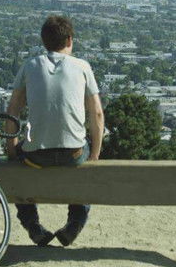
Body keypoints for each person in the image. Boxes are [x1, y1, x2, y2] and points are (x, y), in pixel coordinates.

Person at [6, 14, 104, 246]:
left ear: (44, 41)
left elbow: (13, 111)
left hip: (36, 155)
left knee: (17, 167)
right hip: (73, 153)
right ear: (69, 39)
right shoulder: (82, 67)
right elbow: (97, 114)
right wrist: (94, 155)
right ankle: (74, 224)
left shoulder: (30, 66)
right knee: (85, 167)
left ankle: (33, 226)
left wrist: (11, 150)